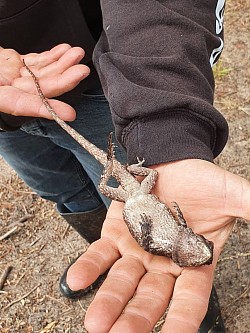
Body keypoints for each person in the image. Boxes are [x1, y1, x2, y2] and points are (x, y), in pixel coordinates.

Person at [1, 1, 249, 332]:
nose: (198, 246)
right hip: (14, 123)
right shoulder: (177, 235)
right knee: (63, 190)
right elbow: (170, 212)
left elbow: (170, 210)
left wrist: (164, 135)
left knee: (99, 178)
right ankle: (103, 251)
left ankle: (198, 311)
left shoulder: (173, 240)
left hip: (102, 85)